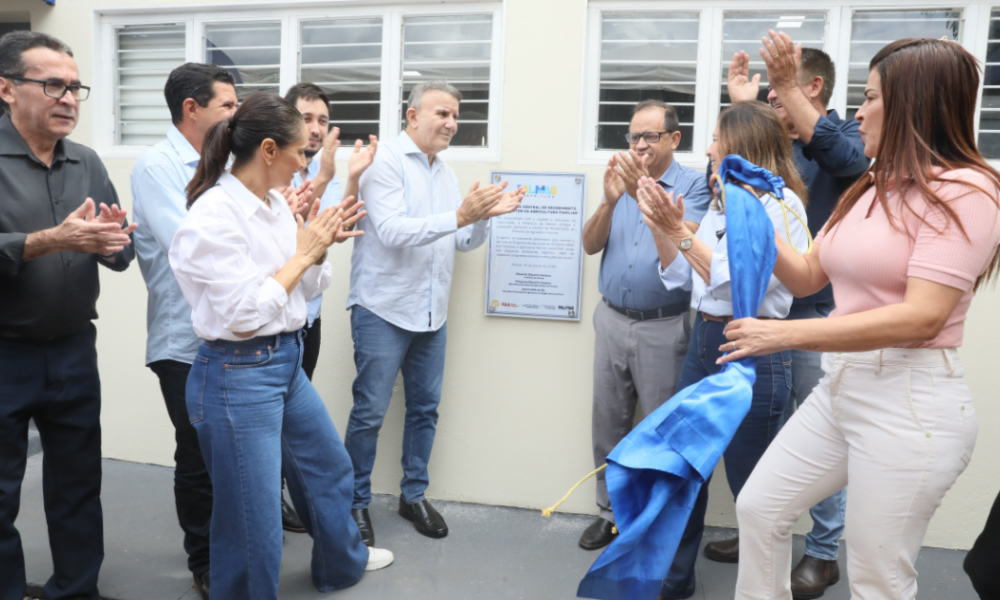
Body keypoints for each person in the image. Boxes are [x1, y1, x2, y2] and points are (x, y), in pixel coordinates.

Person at [723, 38, 1000, 600]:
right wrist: (752, 208)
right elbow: (807, 275)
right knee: (759, 508)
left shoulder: (967, 191)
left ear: (912, 105)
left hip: (910, 401)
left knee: (877, 577)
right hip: (842, 387)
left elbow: (922, 317)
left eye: (870, 98)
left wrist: (782, 333)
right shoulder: (871, 186)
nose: (857, 111)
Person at [168, 91, 393, 599]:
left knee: (328, 468)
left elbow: (307, 288)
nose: (305, 162)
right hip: (236, 374)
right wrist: (304, 253)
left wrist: (317, 249)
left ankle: (341, 565)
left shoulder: (273, 205)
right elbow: (243, 315)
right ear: (268, 150)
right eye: (300, 152)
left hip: (284, 361)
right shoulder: (214, 216)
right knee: (253, 517)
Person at [637, 101, 810, 600]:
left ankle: (764, 590)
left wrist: (679, 233)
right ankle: (674, 577)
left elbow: (735, 280)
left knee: (754, 490)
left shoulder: (781, 206)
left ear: (742, 144)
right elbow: (682, 276)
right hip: (705, 340)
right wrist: (661, 227)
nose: (709, 148)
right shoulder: (721, 200)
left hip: (753, 346)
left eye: (716, 138)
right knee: (682, 467)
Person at [720, 32, 870, 595]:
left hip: (814, 318)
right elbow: (746, 168)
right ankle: (761, 533)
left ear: (813, 88)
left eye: (781, 94)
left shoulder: (846, 138)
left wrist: (784, 100)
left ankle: (823, 553)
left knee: (824, 435)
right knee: (763, 433)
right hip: (764, 316)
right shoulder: (780, 137)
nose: (773, 103)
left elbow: (846, 160)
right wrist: (745, 111)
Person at [345, 80, 524, 546]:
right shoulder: (383, 161)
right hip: (382, 310)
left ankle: (413, 496)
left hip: (431, 315)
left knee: (424, 410)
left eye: (456, 116)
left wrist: (483, 218)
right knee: (369, 412)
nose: (452, 123)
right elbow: (391, 231)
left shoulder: (445, 173)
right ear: (412, 116)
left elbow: (460, 240)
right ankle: (354, 502)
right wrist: (461, 216)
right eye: (442, 113)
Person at [0, 31, 137, 600]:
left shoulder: (86, 161)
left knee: (78, 483)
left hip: (75, 350)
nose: (69, 99)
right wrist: (47, 240)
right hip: (6, 354)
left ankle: (77, 590)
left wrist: (112, 243)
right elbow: (51, 241)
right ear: (6, 89)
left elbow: (122, 252)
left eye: (75, 87)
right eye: (52, 84)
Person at [579, 100, 711, 550]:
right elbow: (589, 244)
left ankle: (655, 523)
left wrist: (640, 192)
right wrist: (609, 200)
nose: (639, 145)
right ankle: (609, 513)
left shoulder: (694, 186)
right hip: (612, 319)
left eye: (649, 136)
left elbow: (683, 241)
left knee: (661, 430)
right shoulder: (618, 181)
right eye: (633, 136)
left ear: (674, 139)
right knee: (608, 423)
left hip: (664, 326)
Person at [130, 62, 237, 599]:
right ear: (191, 109)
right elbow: (192, 247)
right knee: (196, 454)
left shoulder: (227, 161)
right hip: (183, 341)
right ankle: (205, 561)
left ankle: (232, 547)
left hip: (231, 336)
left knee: (229, 453)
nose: (236, 115)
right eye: (228, 106)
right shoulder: (157, 166)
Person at [282, 82, 377, 381]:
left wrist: (353, 177)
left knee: (302, 396)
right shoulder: (274, 166)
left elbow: (341, 225)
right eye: (307, 118)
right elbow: (289, 228)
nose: (316, 129)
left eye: (323, 121)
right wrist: (324, 176)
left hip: (310, 311)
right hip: (278, 314)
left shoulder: (324, 167)